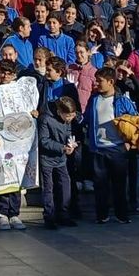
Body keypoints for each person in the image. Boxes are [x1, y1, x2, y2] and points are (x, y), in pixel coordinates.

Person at [84, 67, 138, 224]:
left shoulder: (122, 101)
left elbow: (135, 122)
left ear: (111, 82)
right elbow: (86, 118)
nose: (97, 84)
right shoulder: (94, 99)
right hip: (99, 148)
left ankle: (122, 214)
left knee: (119, 184)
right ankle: (102, 215)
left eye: (100, 81)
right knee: (100, 184)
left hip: (117, 148)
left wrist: (129, 142)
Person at [38, 95, 79, 230]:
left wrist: (71, 144)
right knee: (48, 188)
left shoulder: (69, 121)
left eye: (72, 115)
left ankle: (64, 213)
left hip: (62, 158)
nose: (70, 118)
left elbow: (69, 132)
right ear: (59, 112)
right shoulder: (46, 119)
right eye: (67, 115)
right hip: (47, 158)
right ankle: (49, 216)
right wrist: (61, 147)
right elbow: (44, 140)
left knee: (65, 185)